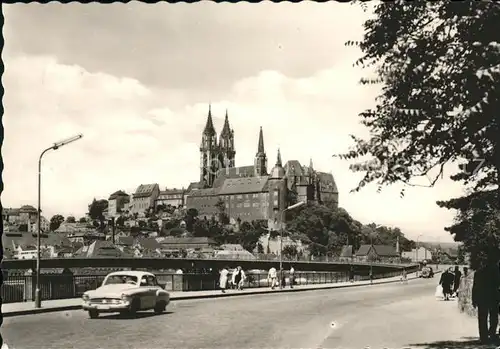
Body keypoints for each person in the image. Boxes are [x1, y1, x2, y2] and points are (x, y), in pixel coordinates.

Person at [472, 260, 500, 344]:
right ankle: (492, 334)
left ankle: (483, 338)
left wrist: (474, 300)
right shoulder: (496, 272)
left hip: (482, 298)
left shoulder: (478, 273)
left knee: (482, 318)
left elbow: (475, 287)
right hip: (493, 298)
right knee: (493, 317)